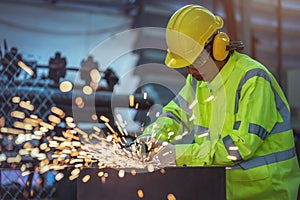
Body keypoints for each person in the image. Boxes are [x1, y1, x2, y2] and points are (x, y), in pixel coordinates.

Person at [139, 4, 300, 200]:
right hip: (221, 189)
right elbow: (175, 115)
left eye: (195, 62)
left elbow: (239, 148)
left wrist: (176, 155)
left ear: (218, 47)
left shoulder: (253, 80)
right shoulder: (198, 81)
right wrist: (150, 139)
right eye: (186, 65)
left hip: (264, 193)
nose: (190, 71)